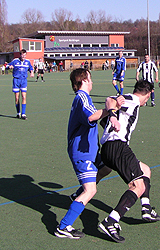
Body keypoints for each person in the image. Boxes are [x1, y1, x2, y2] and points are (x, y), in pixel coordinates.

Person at [55, 68, 123, 240]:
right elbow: (92, 116)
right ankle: (63, 227)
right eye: (90, 78)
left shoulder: (85, 98)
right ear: (84, 81)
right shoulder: (82, 97)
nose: (92, 81)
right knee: (91, 190)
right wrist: (110, 109)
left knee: (107, 167)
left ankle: (77, 195)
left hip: (90, 152)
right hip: (81, 153)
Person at [98, 79, 160, 243]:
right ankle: (111, 221)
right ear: (147, 94)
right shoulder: (132, 100)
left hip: (109, 150)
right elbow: (110, 100)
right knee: (137, 186)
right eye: (149, 96)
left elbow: (109, 113)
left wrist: (112, 117)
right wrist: (112, 115)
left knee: (145, 170)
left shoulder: (130, 104)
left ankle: (146, 208)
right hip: (117, 147)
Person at [6, 49, 34, 120]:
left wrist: (31, 72)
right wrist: (9, 67)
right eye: (22, 55)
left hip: (24, 81)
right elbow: (7, 66)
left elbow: (31, 68)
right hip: (16, 80)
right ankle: (18, 112)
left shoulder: (27, 62)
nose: (23, 56)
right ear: (20, 55)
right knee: (16, 98)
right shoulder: (15, 61)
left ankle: (23, 114)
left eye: (25, 55)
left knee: (24, 97)